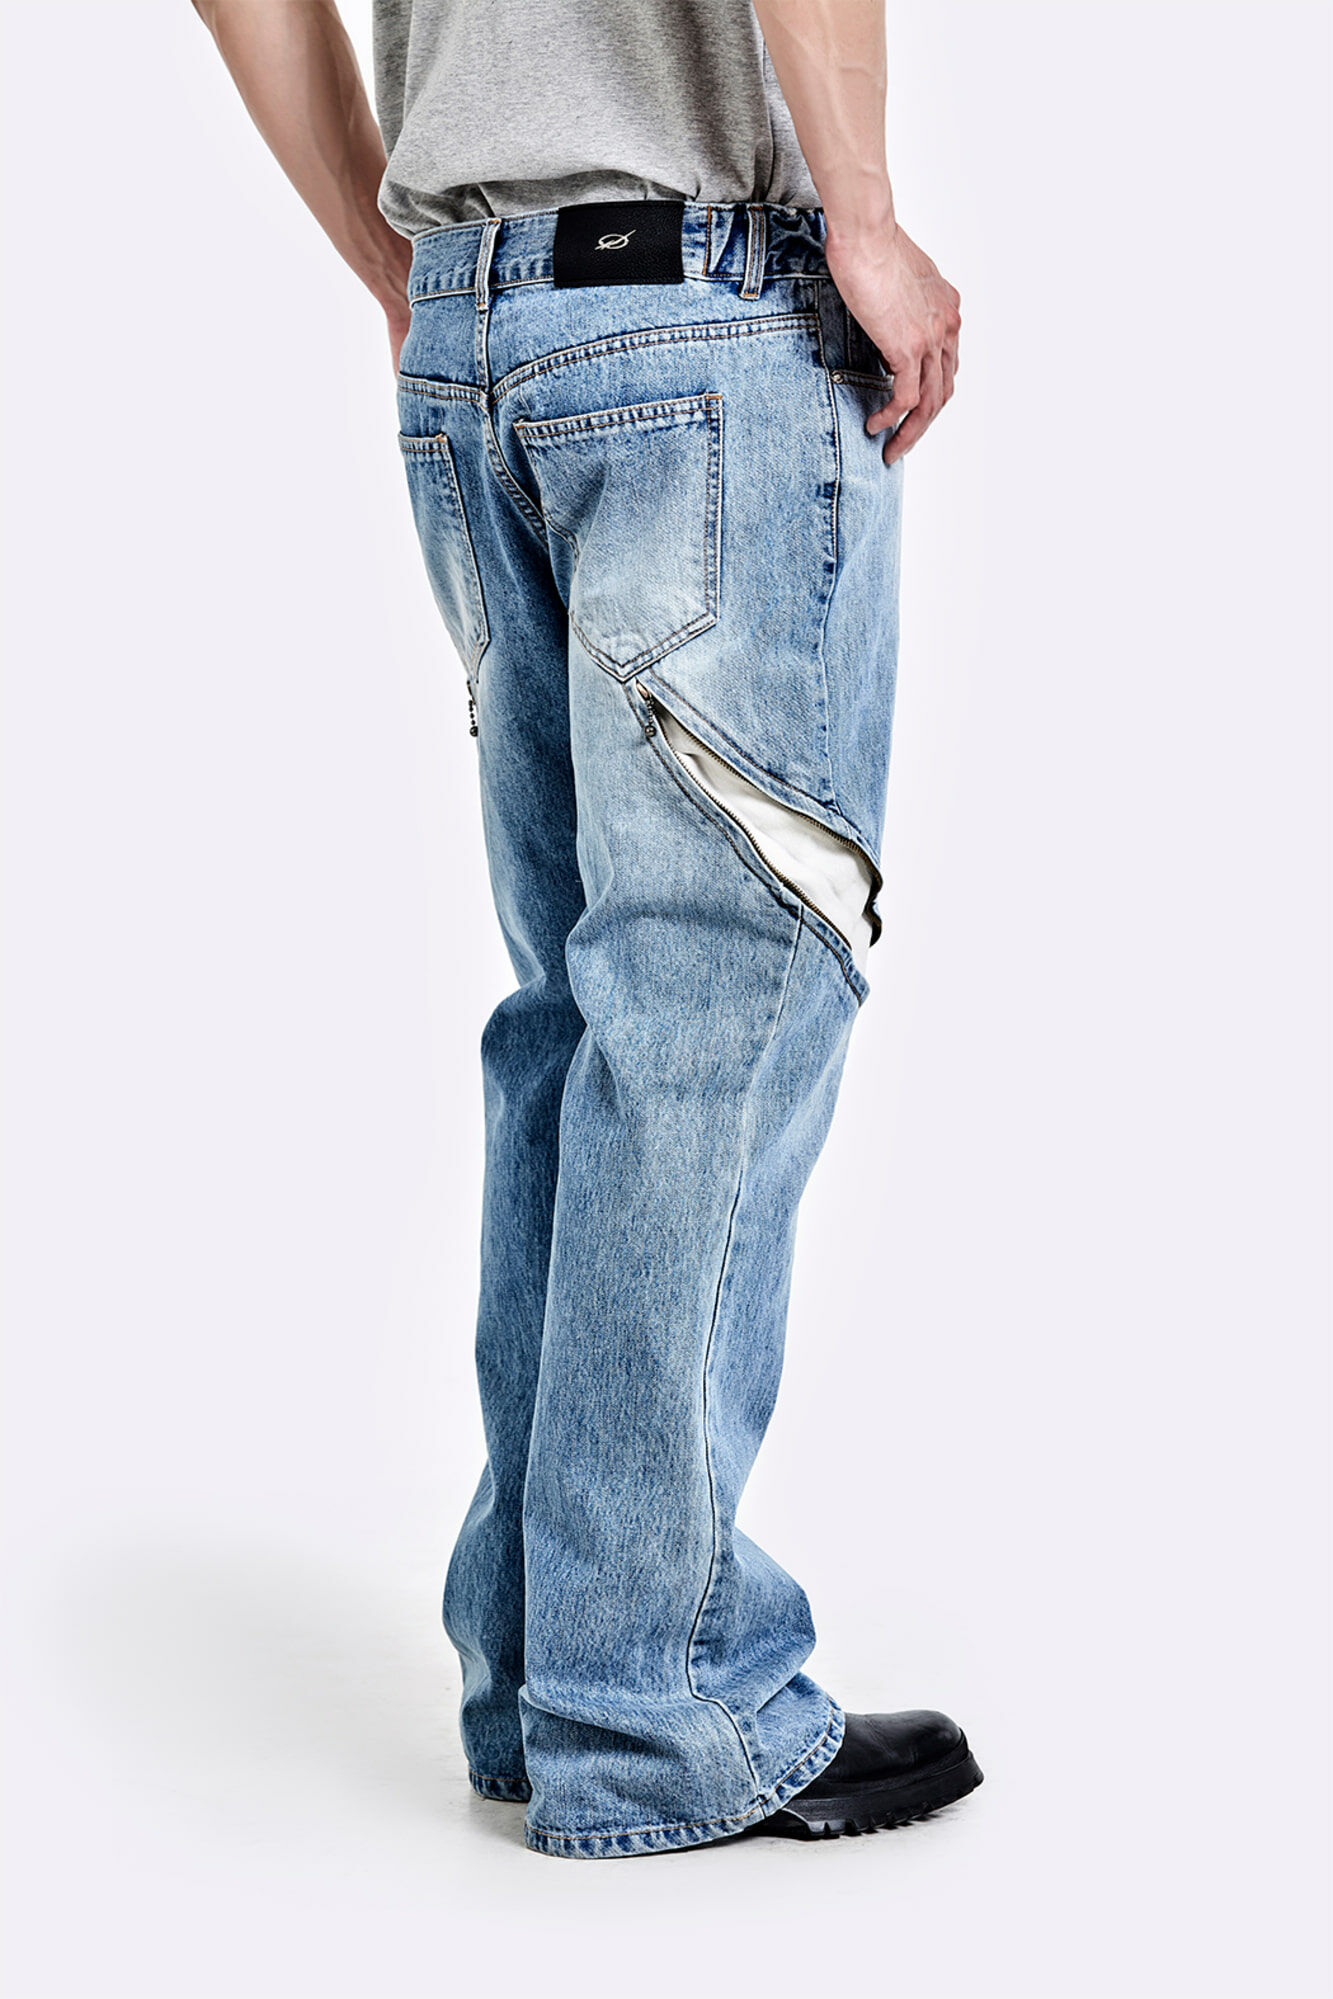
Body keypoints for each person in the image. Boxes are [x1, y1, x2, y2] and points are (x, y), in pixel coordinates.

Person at [193, 0, 979, 1860]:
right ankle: (654, 1709)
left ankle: (546, 1679)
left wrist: (395, 256)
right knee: (705, 1010)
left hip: (474, 348)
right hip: (693, 317)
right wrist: (862, 214)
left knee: (585, 1017)